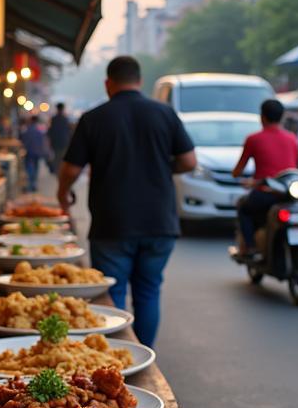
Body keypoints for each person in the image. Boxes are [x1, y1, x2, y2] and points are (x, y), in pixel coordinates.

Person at [58, 56, 196, 346]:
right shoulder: (164, 114)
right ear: (140, 81)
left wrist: (63, 194)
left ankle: (118, 362)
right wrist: (161, 166)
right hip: (159, 222)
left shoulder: (94, 118)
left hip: (113, 222)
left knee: (113, 294)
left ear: (108, 83)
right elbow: (189, 161)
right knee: (148, 291)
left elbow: (71, 169)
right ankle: (144, 355)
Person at [231, 99, 298, 256]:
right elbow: (293, 166)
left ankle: (249, 247)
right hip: (289, 195)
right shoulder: (292, 138)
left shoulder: (253, 139)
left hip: (265, 194)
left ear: (262, 117)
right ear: (282, 117)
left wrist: (243, 178)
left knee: (243, 209)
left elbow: (237, 170)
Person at [20, 116, 49, 192]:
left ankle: (30, 185)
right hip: (37, 152)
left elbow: (23, 140)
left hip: (29, 152)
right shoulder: (40, 131)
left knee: (30, 168)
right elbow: (43, 143)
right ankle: (33, 184)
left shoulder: (27, 130)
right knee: (35, 168)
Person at [47, 102, 73, 173]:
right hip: (64, 142)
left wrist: (49, 142)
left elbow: (50, 131)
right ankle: (60, 170)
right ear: (63, 108)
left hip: (55, 142)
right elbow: (69, 131)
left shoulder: (53, 119)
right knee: (62, 157)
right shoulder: (66, 119)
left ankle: (57, 170)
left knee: (56, 157)